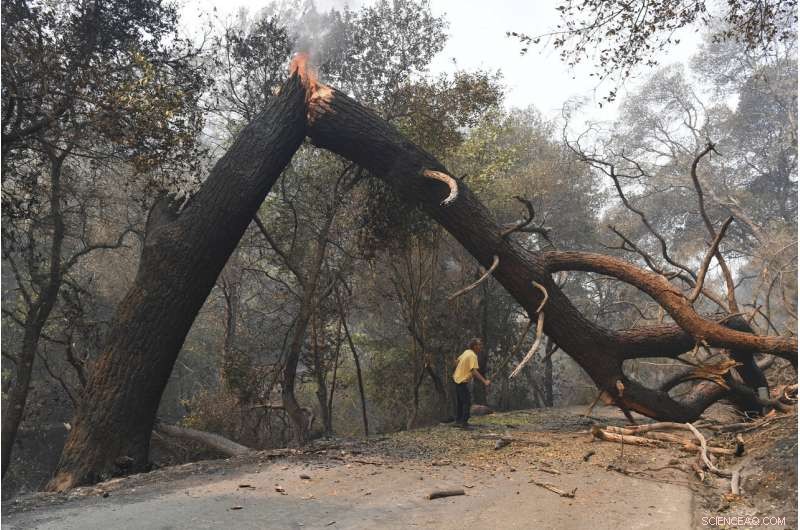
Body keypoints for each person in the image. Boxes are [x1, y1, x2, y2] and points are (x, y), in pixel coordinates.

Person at [452, 338, 490, 429]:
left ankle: (458, 421)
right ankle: (464, 423)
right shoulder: (473, 355)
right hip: (461, 381)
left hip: (457, 379)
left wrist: (460, 369)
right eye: (479, 344)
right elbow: (474, 371)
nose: (481, 346)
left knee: (461, 402)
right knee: (467, 402)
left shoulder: (466, 352)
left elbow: (456, 362)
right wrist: (485, 381)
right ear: (475, 346)